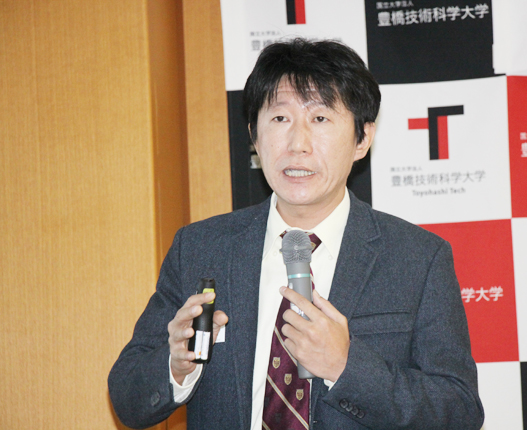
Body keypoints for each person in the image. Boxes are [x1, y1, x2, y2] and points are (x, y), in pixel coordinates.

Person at [108, 38, 484, 430]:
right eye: (280, 119)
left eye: (320, 118)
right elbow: (128, 400)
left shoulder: (417, 259)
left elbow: (459, 411)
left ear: (362, 138)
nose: (297, 144)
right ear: (254, 136)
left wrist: (346, 367)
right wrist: (174, 366)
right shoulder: (201, 248)